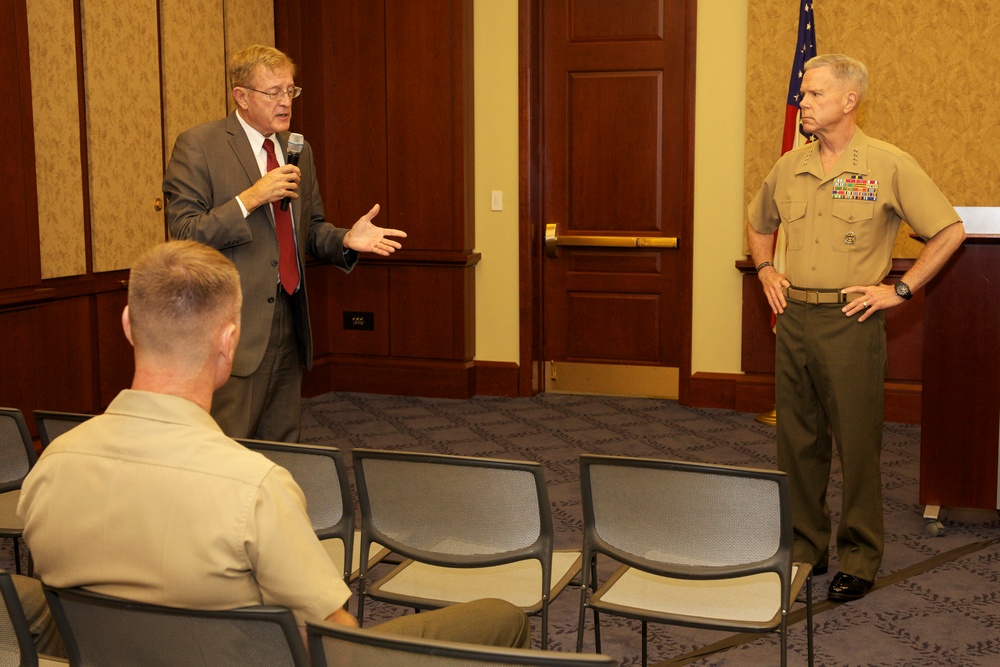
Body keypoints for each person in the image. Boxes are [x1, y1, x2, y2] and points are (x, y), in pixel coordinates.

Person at [17, 241, 531, 650]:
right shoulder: (254, 488)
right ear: (229, 340)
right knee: (498, 620)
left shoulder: (50, 467)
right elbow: (333, 641)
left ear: (129, 327)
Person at [747, 54, 966, 602]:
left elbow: (949, 230)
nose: (804, 103)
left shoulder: (887, 165)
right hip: (795, 318)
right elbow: (757, 223)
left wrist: (899, 290)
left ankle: (860, 557)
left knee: (858, 445)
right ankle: (805, 548)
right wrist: (767, 268)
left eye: (815, 94)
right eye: (803, 93)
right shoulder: (790, 166)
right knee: (796, 443)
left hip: (851, 321)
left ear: (849, 101)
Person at [163, 44, 405, 443]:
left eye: (290, 91)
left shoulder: (297, 149)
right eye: (272, 92)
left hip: (289, 322)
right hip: (233, 329)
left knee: (283, 449)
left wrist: (345, 238)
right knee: (230, 449)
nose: (284, 102)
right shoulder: (199, 146)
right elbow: (186, 233)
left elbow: (308, 230)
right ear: (241, 96)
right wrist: (251, 198)